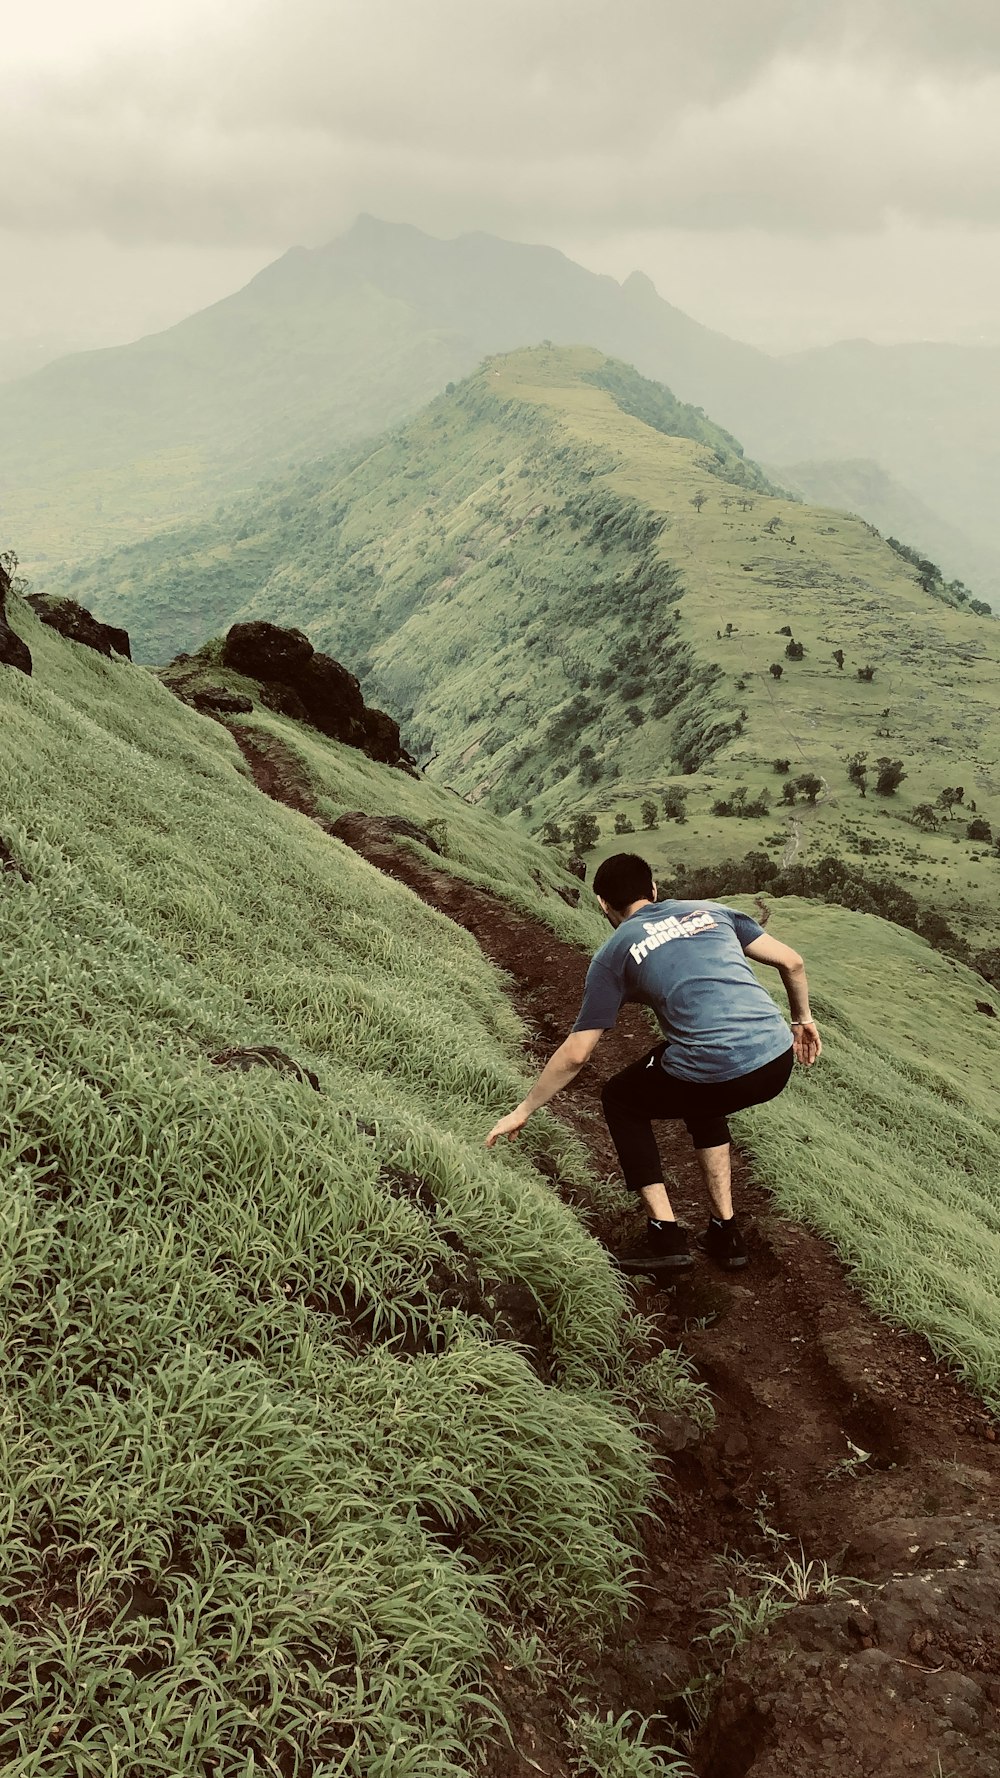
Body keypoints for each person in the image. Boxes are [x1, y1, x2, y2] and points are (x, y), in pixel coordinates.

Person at [485, 851, 821, 1274]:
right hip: (776, 1059)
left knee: (621, 1098)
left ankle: (664, 1234)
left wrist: (523, 1110)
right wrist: (802, 1021)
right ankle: (725, 1231)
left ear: (604, 905)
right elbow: (793, 961)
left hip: (715, 1067)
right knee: (701, 1092)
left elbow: (576, 1053)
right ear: (654, 890)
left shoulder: (614, 952)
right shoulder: (714, 911)